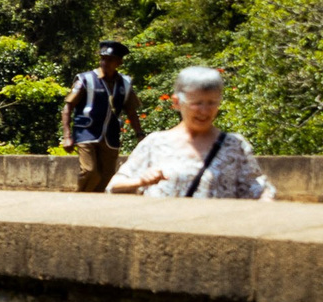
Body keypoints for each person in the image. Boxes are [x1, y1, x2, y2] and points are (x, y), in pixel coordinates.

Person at [109, 67, 276, 200]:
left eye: (212, 103)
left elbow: (258, 190)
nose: (205, 111)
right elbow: (113, 187)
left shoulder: (234, 145)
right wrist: (141, 181)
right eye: (197, 103)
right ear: (176, 102)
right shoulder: (155, 143)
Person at [65, 41, 145, 193]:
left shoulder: (125, 83)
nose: (105, 63)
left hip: (111, 134)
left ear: (119, 62)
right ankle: (78, 199)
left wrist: (139, 134)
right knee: (90, 171)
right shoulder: (85, 79)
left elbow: (131, 111)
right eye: (103, 58)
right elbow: (68, 107)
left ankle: (93, 206)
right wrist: (67, 135)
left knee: (106, 177)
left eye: (110, 60)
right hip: (86, 132)